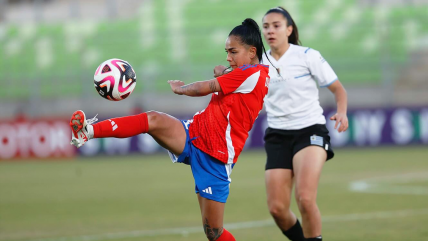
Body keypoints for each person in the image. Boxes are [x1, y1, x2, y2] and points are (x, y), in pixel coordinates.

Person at [69, 18, 270, 241]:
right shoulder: (247, 74)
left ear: (252, 52)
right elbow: (233, 84)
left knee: (213, 232)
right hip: (195, 133)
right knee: (153, 119)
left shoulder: (255, 74)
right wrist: (224, 72)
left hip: (216, 156)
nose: (228, 57)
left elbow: (206, 87)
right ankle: (87, 131)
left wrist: (181, 89)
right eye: (226, 52)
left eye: (233, 51)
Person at [261, 7, 349, 241]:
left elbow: (338, 89)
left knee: (305, 199)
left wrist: (342, 112)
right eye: (266, 26)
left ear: (289, 29)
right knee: (277, 209)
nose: (270, 31)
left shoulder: (307, 55)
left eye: (276, 25)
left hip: (309, 131)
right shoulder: (258, 62)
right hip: (277, 135)